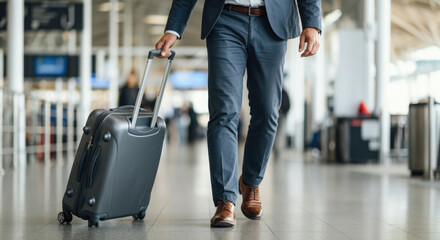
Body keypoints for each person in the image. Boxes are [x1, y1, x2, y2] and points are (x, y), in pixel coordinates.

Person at [156, 0, 322, 227]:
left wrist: (312, 23)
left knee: (268, 112)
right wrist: (173, 28)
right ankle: (226, 200)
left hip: (272, 23)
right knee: (223, 113)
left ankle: (251, 182)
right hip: (225, 19)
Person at [273, 88, 291, 159]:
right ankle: (276, 149)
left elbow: (288, 105)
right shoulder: (282, 92)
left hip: (281, 115)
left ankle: (276, 149)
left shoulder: (282, 92)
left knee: (277, 134)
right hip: (279, 115)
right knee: (277, 134)